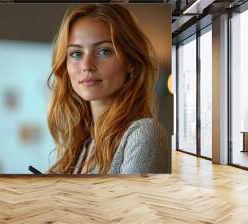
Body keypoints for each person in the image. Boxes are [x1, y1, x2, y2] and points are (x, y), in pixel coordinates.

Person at [46, 4, 170, 174]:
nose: (87, 65)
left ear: (131, 63)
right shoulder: (83, 144)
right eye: (76, 53)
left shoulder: (144, 134)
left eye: (104, 51)